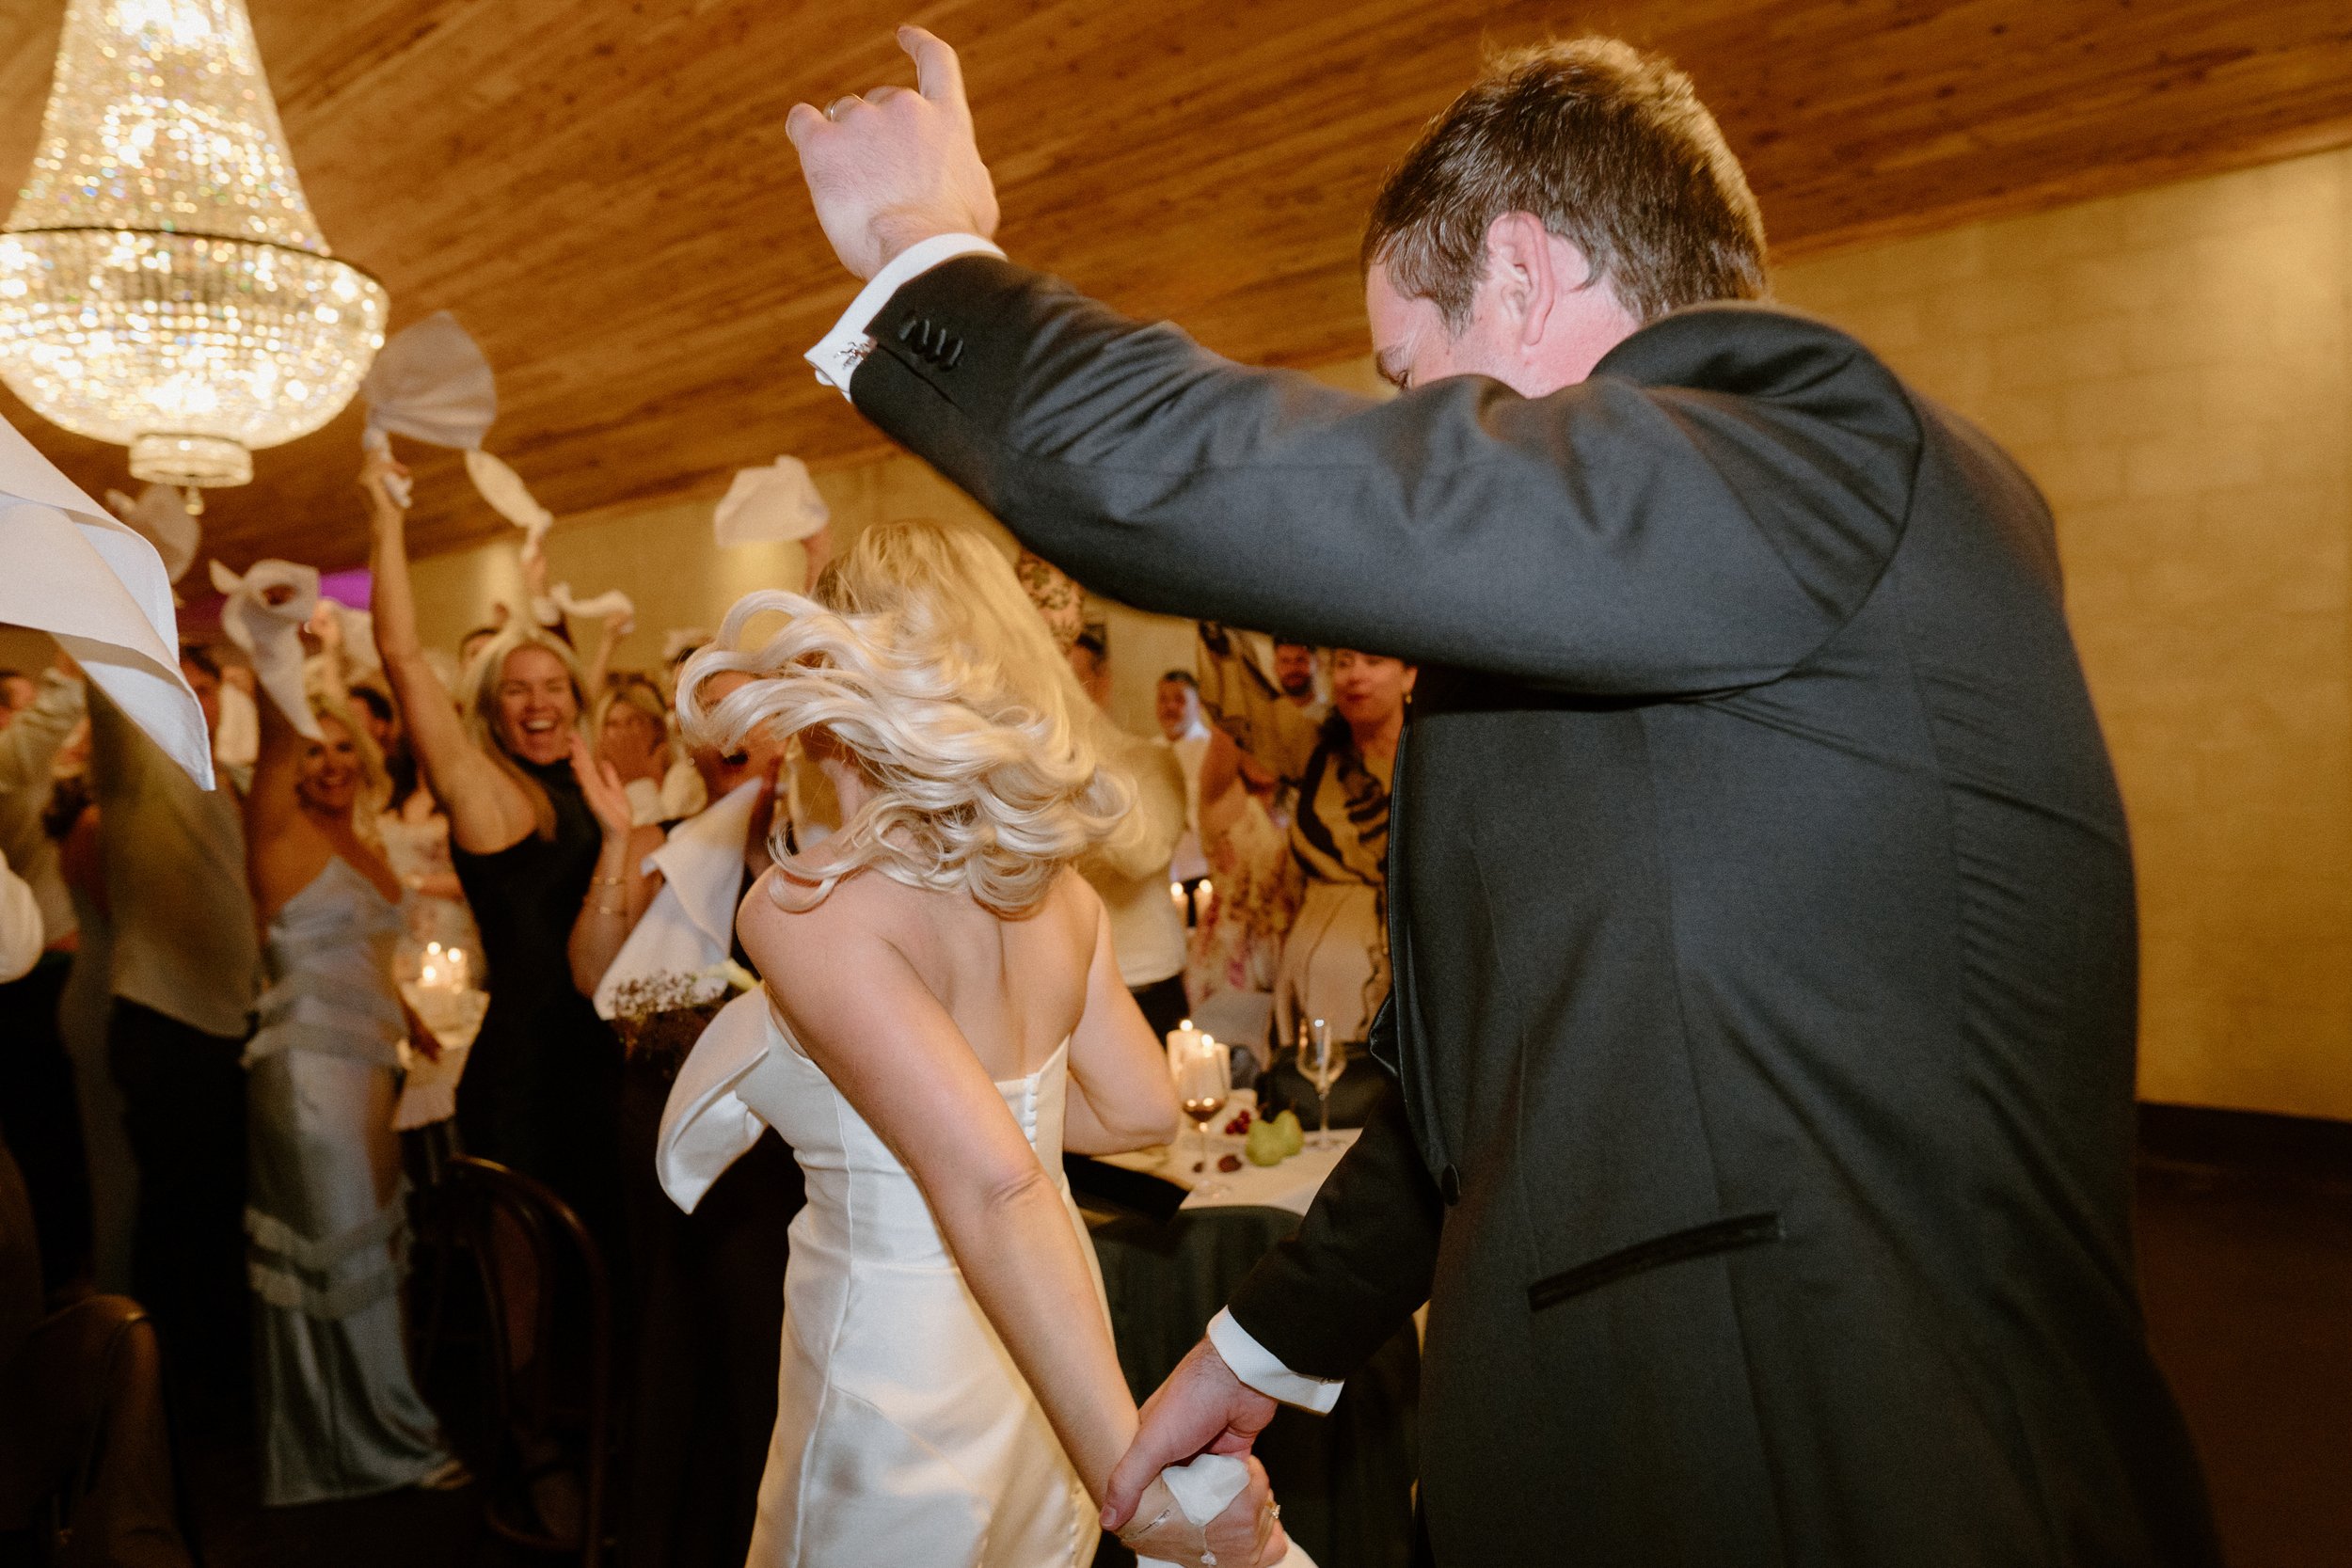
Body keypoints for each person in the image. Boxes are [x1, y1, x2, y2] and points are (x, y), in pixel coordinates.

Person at [782, 29, 2219, 1566]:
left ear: (1523, 279)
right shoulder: (1663, 593)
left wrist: (923, 259)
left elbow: (1247, 485)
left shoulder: (1815, 442)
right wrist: (1263, 1347)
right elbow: (1491, 1078)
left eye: (1408, 379)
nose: (1404, 421)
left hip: (1848, 1468)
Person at [653, 519, 1279, 1567]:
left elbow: (994, 1186)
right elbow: (1137, 1109)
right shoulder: (1058, 890)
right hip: (1046, 1342)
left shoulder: (809, 909)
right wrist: (1003, 1118)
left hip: (895, 1374)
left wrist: (1132, 1482)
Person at [569, 673, 805, 1568]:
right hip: (661, 1124)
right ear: (698, 745)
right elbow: (594, 974)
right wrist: (612, 841)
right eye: (722, 725)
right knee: (671, 1335)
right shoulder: (656, 843)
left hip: (772, 1140)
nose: (744, 739)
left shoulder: (805, 852)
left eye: (761, 721)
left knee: (758, 1352)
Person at [233, 580, 458, 1503]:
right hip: (307, 1081)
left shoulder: (360, 837)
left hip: (369, 1071)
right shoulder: (279, 832)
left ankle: (341, 1443)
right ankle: (384, 1444)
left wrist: (406, 1017)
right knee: (338, 1257)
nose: (326, 762)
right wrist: (275, 638)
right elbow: (280, 738)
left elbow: (363, 949)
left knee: (370, 1251)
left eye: (340, 749)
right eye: (310, 750)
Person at [365, 447, 622, 1236]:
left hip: (598, 1065)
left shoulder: (588, 780)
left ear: (576, 699)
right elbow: (402, 658)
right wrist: (388, 515)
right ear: (493, 705)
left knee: (597, 1279)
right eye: (517, 689)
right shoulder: (486, 791)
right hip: (525, 1073)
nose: (537, 703)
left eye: (553, 687)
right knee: (528, 1290)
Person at [87, 641, 259, 1424]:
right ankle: (164, 1394)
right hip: (163, 1022)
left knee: (213, 1206)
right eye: (178, 688)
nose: (194, 699)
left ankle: (207, 1377)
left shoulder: (224, 777)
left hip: (225, 1022)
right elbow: (108, 703)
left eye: (204, 687)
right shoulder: (133, 763)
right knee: (177, 1213)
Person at [1196, 631, 1412, 1046]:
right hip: (1313, 988)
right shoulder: (1312, 748)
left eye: (1373, 661)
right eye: (1344, 662)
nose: (1354, 676)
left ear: (1409, 676)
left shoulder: (1437, 762)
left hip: (1410, 982)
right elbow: (1242, 695)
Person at [0, 650, 92, 1295]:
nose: (29, 715)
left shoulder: (45, 770)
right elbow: (14, 944)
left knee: (68, 1131)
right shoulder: (12, 767)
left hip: (72, 968)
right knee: (43, 1134)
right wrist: (66, 670)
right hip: (31, 981)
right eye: (15, 704)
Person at [1064, 626, 1191, 1039]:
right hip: (1061, 984)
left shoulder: (1150, 761)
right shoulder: (1025, 769)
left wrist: (1077, 760)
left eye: (1064, 676)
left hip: (1142, 978)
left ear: (1102, 682)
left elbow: (1143, 855)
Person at [1154, 670, 1211, 903]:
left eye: (1179, 699)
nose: (1170, 707)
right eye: (1163, 699)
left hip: (1202, 868)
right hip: (1164, 873)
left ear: (1197, 705)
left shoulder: (1210, 750)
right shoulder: (1150, 751)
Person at [1268, 641, 1323, 717]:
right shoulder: (1265, 715)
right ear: (1275, 667)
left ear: (1318, 664)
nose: (1293, 668)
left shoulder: (1332, 716)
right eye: (1285, 661)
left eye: (1300, 660)